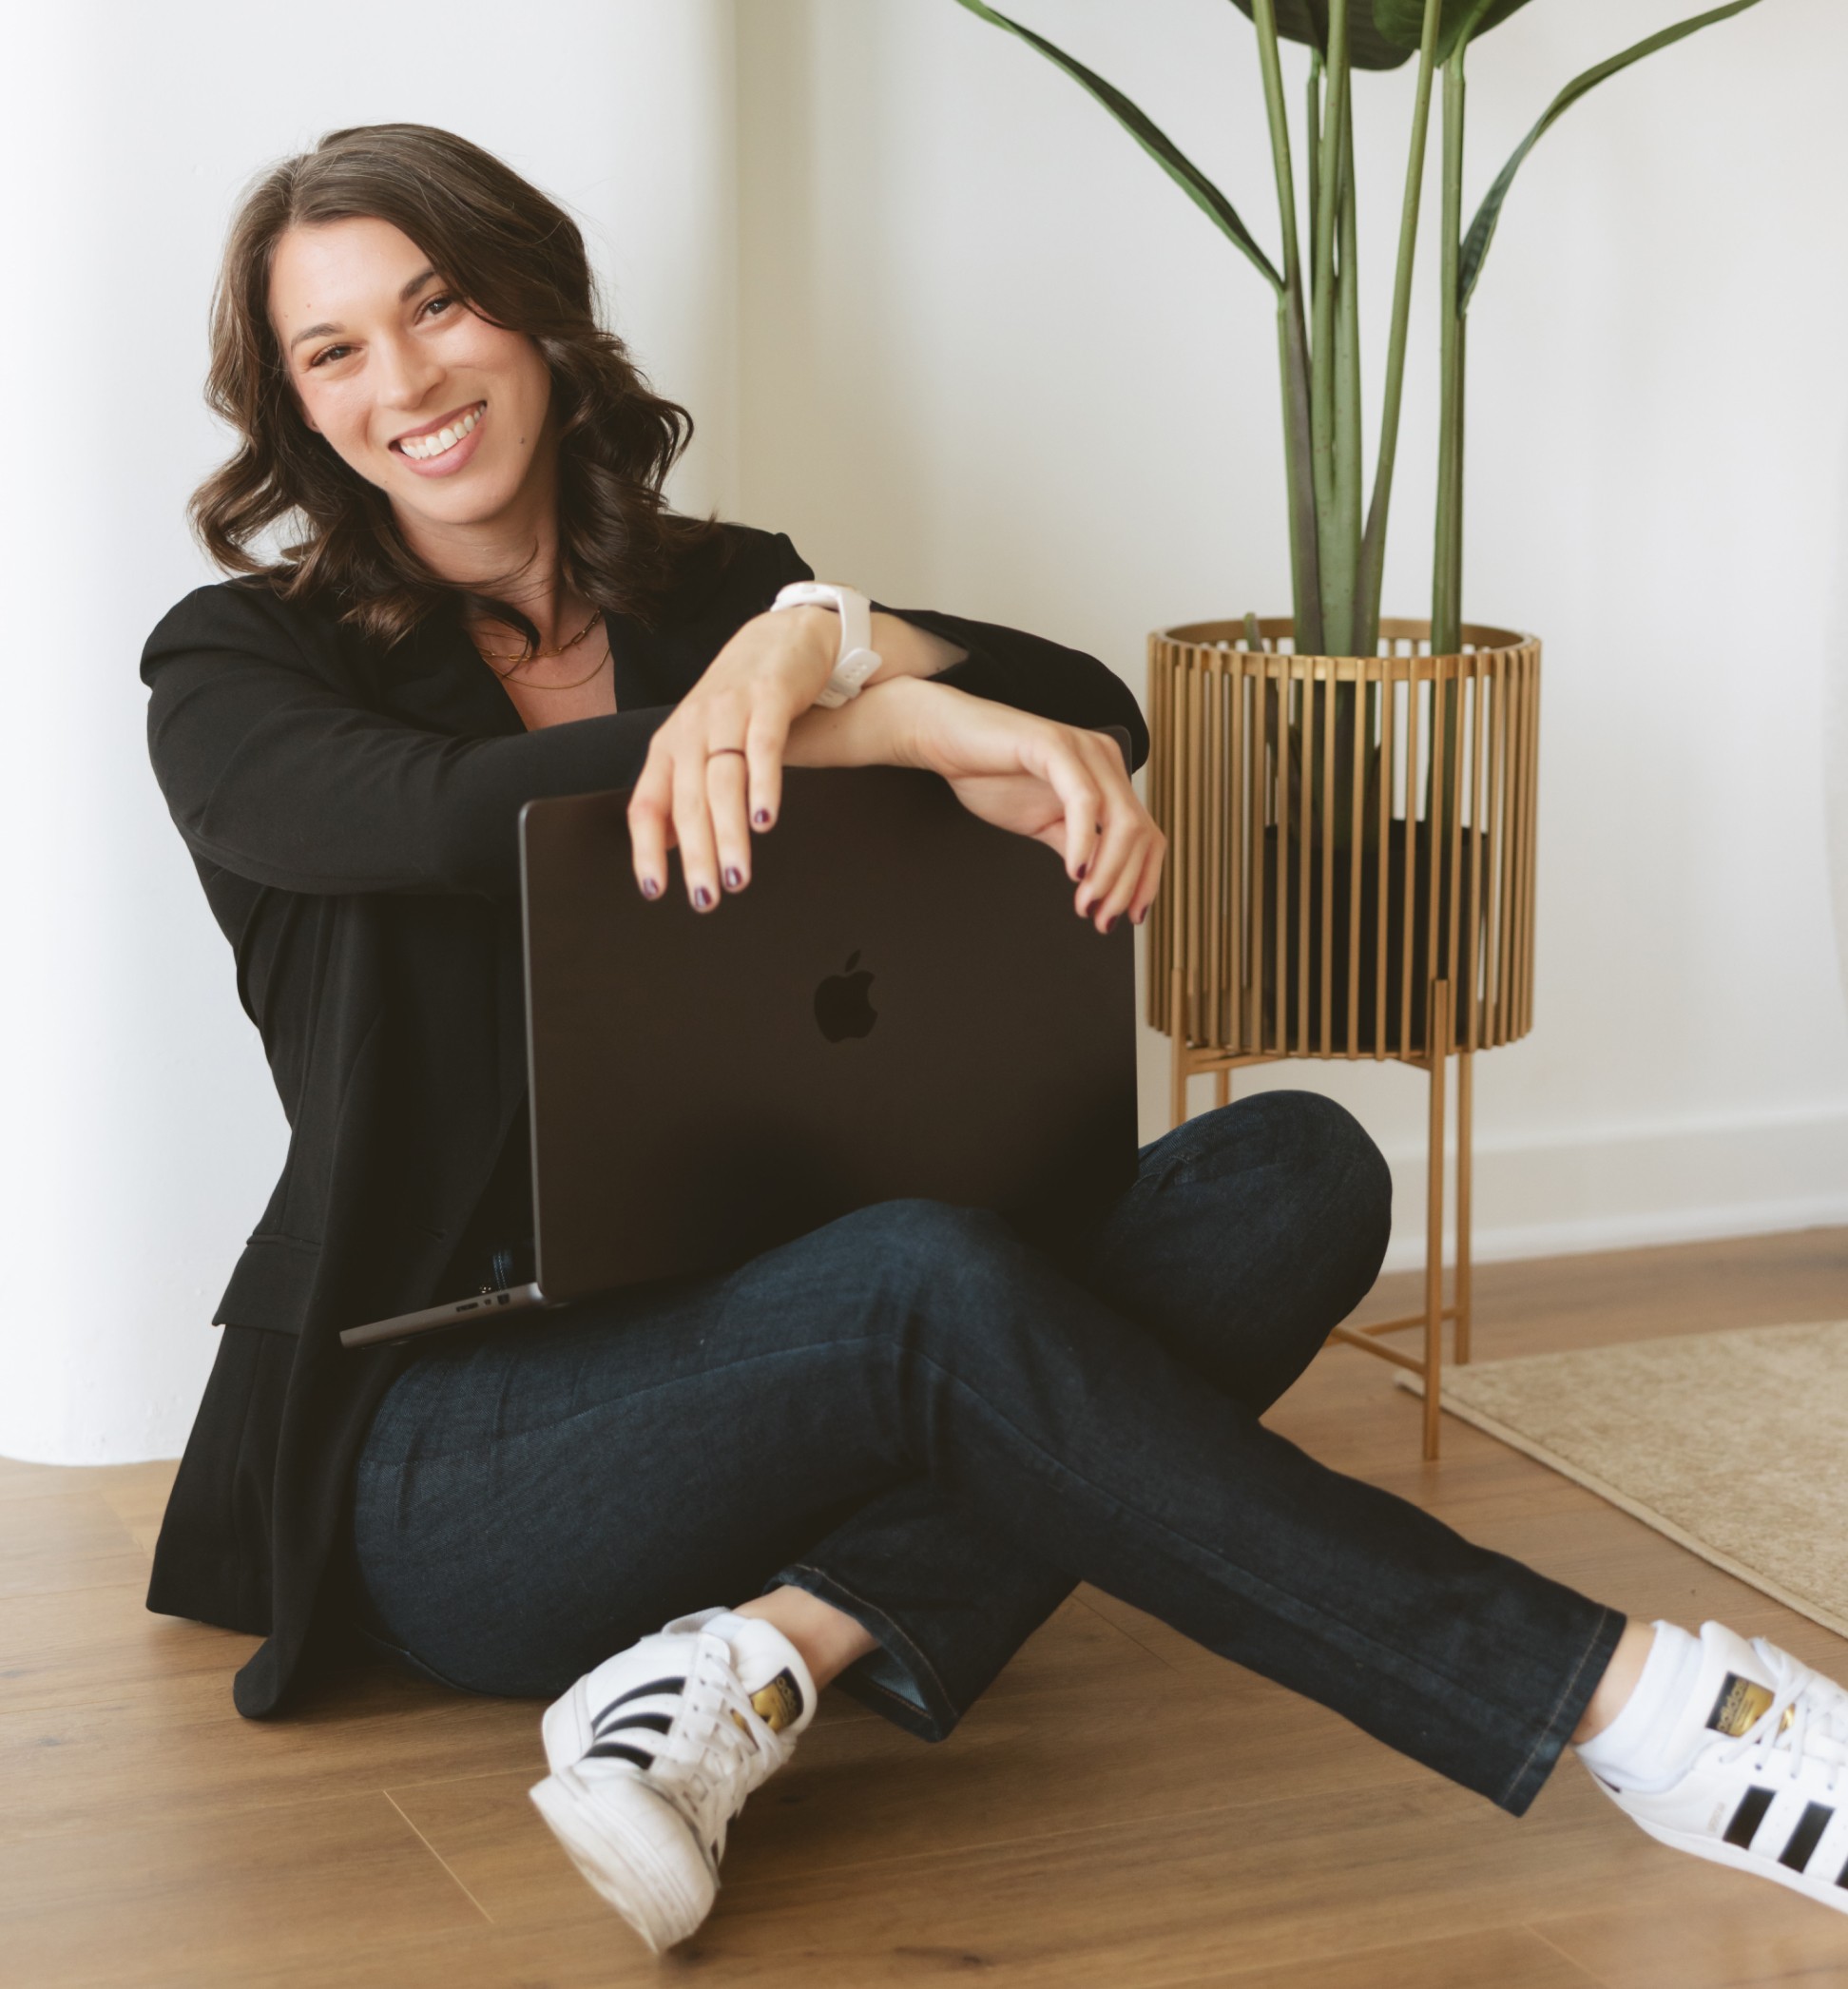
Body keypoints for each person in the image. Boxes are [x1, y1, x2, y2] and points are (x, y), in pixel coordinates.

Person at [142, 123, 1848, 1955]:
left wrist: (813, 640)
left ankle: (760, 1660)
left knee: (1296, 1168)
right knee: (916, 1285)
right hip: (453, 1442)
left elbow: (1084, 708)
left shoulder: (728, 600)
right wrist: (864, 729)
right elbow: (456, 815)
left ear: (540, 318)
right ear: (298, 409)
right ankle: (1645, 1711)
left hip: (788, 1351)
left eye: (442, 303)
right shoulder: (235, 666)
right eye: (334, 352)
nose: (404, 379)